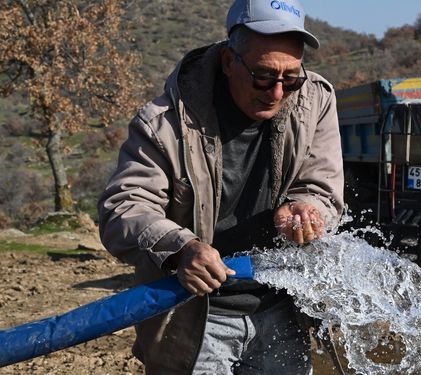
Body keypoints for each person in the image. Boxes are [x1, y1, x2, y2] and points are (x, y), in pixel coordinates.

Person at [98, 0, 344, 373]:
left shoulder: (315, 100)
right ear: (230, 62)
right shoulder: (163, 124)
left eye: (290, 78)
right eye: (264, 76)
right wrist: (181, 249)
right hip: (195, 312)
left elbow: (322, 186)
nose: (277, 92)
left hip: (281, 306)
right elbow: (124, 208)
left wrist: (305, 207)